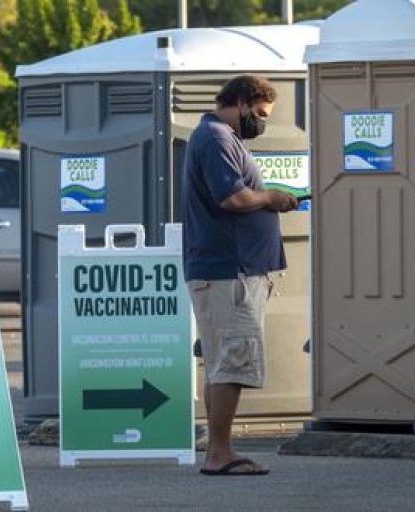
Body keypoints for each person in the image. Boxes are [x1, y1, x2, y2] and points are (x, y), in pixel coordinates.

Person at [181, 75, 299, 476]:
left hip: (227, 271)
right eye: (261, 114)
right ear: (244, 102)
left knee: (220, 363)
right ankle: (220, 454)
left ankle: (218, 450)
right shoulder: (216, 138)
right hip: (229, 272)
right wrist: (273, 198)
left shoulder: (217, 137)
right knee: (231, 362)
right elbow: (233, 197)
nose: (262, 122)